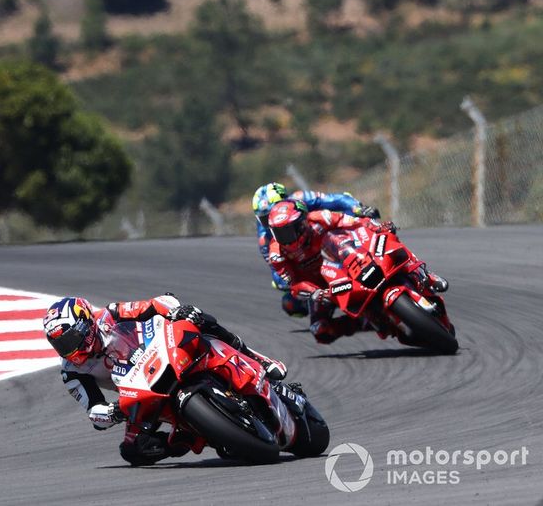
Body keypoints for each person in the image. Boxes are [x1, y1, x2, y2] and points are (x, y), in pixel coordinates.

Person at [42, 294, 288, 466]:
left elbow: (153, 304)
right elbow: (93, 410)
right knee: (133, 450)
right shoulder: (72, 371)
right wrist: (111, 412)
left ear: (87, 323)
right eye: (61, 345)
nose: (70, 349)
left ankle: (257, 358)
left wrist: (175, 310)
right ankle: (189, 437)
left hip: (162, 350)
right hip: (139, 389)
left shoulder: (111, 314)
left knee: (198, 318)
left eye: (71, 339)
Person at [266, 199, 448, 344]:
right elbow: (294, 283)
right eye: (279, 233)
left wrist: (374, 226)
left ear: (302, 223)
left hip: (346, 257)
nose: (285, 239)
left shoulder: (319, 218)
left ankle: (424, 274)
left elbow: (352, 222)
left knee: (387, 236)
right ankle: (369, 321)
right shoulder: (277, 254)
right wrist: (314, 292)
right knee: (320, 330)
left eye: (288, 231)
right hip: (323, 286)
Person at [251, 182, 380, 317]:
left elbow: (336, 199)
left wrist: (357, 209)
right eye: (264, 218)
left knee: (358, 216)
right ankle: (333, 300)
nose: (273, 219)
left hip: (326, 235)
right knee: (291, 304)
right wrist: (292, 282)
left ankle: (370, 252)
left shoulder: (301, 198)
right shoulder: (265, 239)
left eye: (276, 210)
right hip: (307, 265)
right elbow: (277, 274)